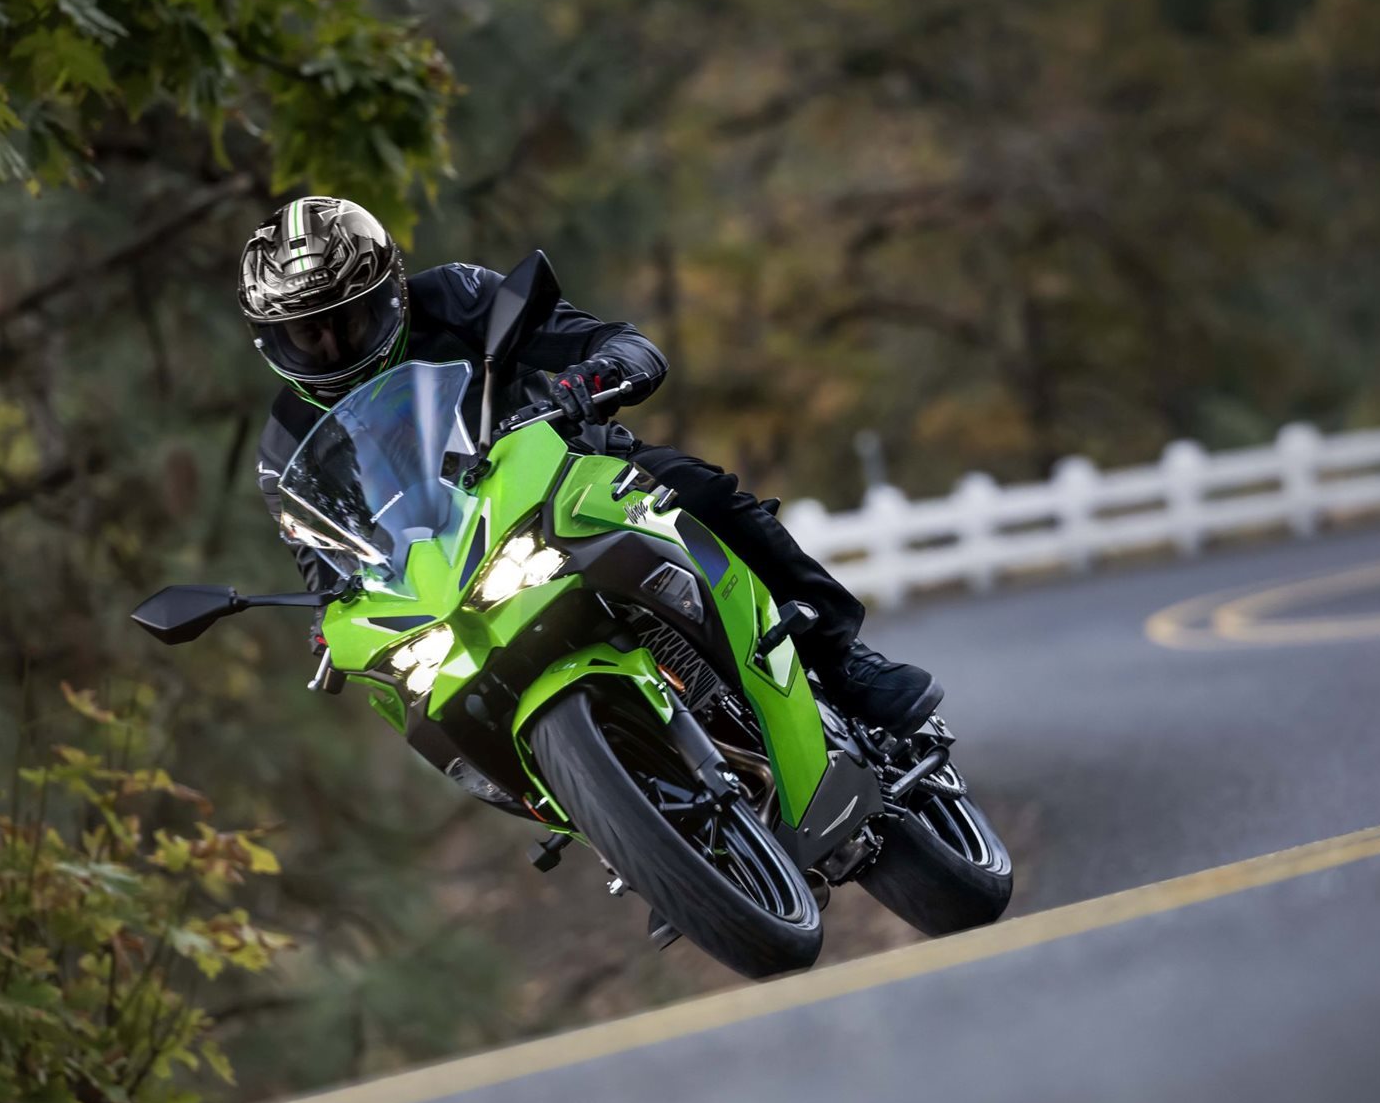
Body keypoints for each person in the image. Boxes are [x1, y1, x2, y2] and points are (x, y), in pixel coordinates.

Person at [240, 195, 944, 733]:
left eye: (348, 321)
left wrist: (601, 371)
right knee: (425, 696)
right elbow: (323, 559)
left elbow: (611, 339)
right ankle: (600, 812)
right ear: (273, 340)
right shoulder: (286, 437)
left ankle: (841, 660)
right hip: (446, 574)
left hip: (568, 480)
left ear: (390, 294)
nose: (330, 346)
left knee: (698, 493)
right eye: (306, 333)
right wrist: (330, 615)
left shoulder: (453, 297)